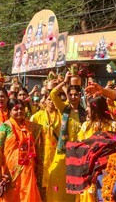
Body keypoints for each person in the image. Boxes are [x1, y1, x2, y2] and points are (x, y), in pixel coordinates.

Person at [0, 98, 44, 202]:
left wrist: (39, 164)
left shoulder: (30, 127)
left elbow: (37, 147)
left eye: (21, 109)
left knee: (27, 194)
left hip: (28, 169)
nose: (19, 111)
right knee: (11, 195)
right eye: (15, 109)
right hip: (10, 170)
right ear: (10, 111)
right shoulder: (3, 128)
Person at [47, 73, 86, 202]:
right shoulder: (64, 108)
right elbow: (53, 94)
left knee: (77, 185)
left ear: (80, 96)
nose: (73, 97)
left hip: (80, 154)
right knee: (58, 180)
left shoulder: (85, 113)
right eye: (70, 95)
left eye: (76, 94)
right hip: (64, 152)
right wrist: (64, 81)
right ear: (67, 96)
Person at [76, 96, 116, 202]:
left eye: (89, 107)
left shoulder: (112, 126)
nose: (86, 109)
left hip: (105, 171)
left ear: (97, 108)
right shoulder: (86, 126)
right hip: (87, 172)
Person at [30, 92, 61, 199]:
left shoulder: (61, 115)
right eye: (49, 99)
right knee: (41, 185)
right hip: (42, 155)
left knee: (56, 185)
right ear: (44, 101)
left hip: (57, 155)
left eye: (53, 99)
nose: (51, 102)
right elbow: (32, 138)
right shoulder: (37, 117)